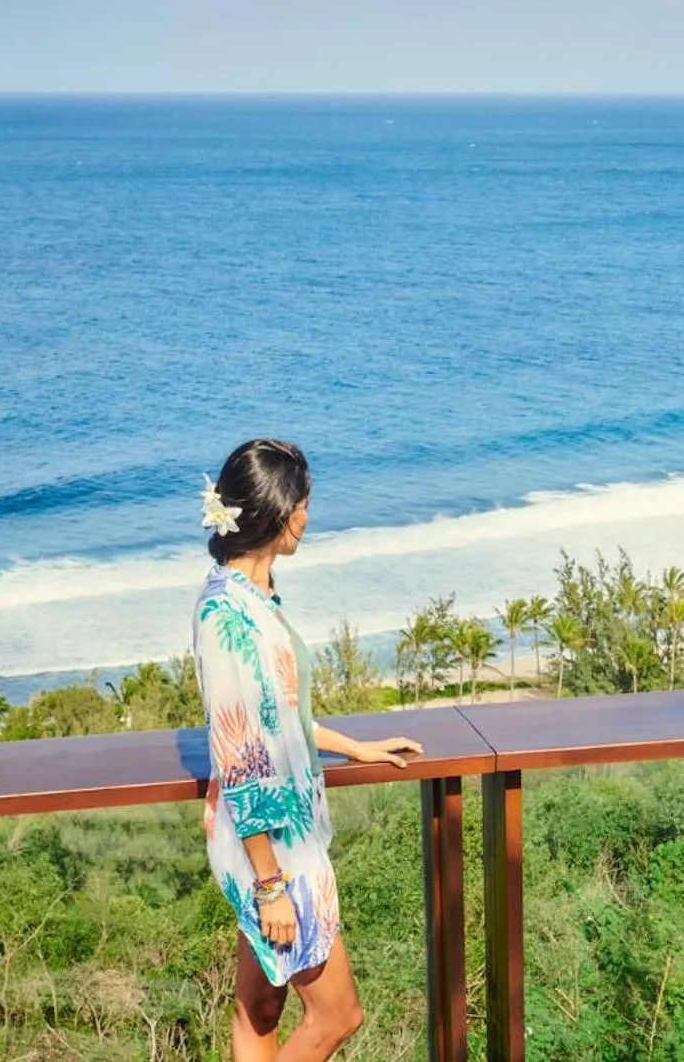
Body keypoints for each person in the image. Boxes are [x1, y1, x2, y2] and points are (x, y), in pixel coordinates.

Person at [194, 438, 422, 1061]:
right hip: (273, 852)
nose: (308, 517)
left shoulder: (253, 599)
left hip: (276, 839)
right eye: (304, 503)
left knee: (259, 1009)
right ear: (278, 513)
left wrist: (357, 748)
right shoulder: (228, 620)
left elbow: (286, 715)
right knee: (338, 1014)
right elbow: (239, 755)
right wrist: (270, 886)